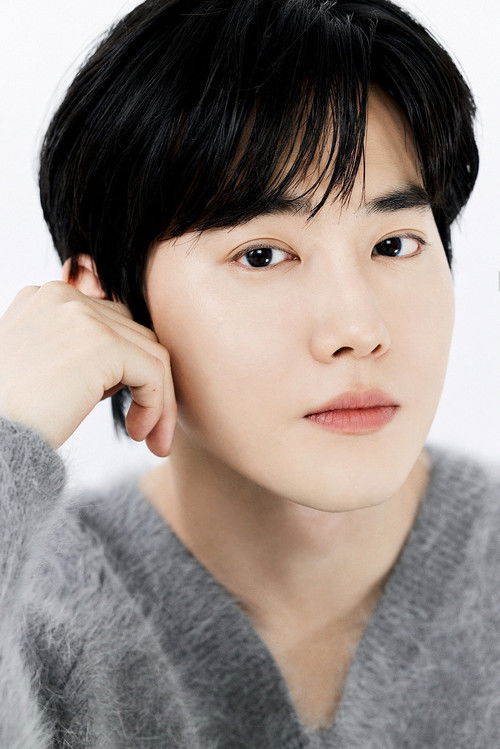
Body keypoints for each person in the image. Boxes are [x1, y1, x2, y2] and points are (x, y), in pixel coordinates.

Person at [0, 0, 498, 746]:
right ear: (103, 302)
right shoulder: (34, 616)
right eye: (262, 256)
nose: (358, 329)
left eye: (394, 244)